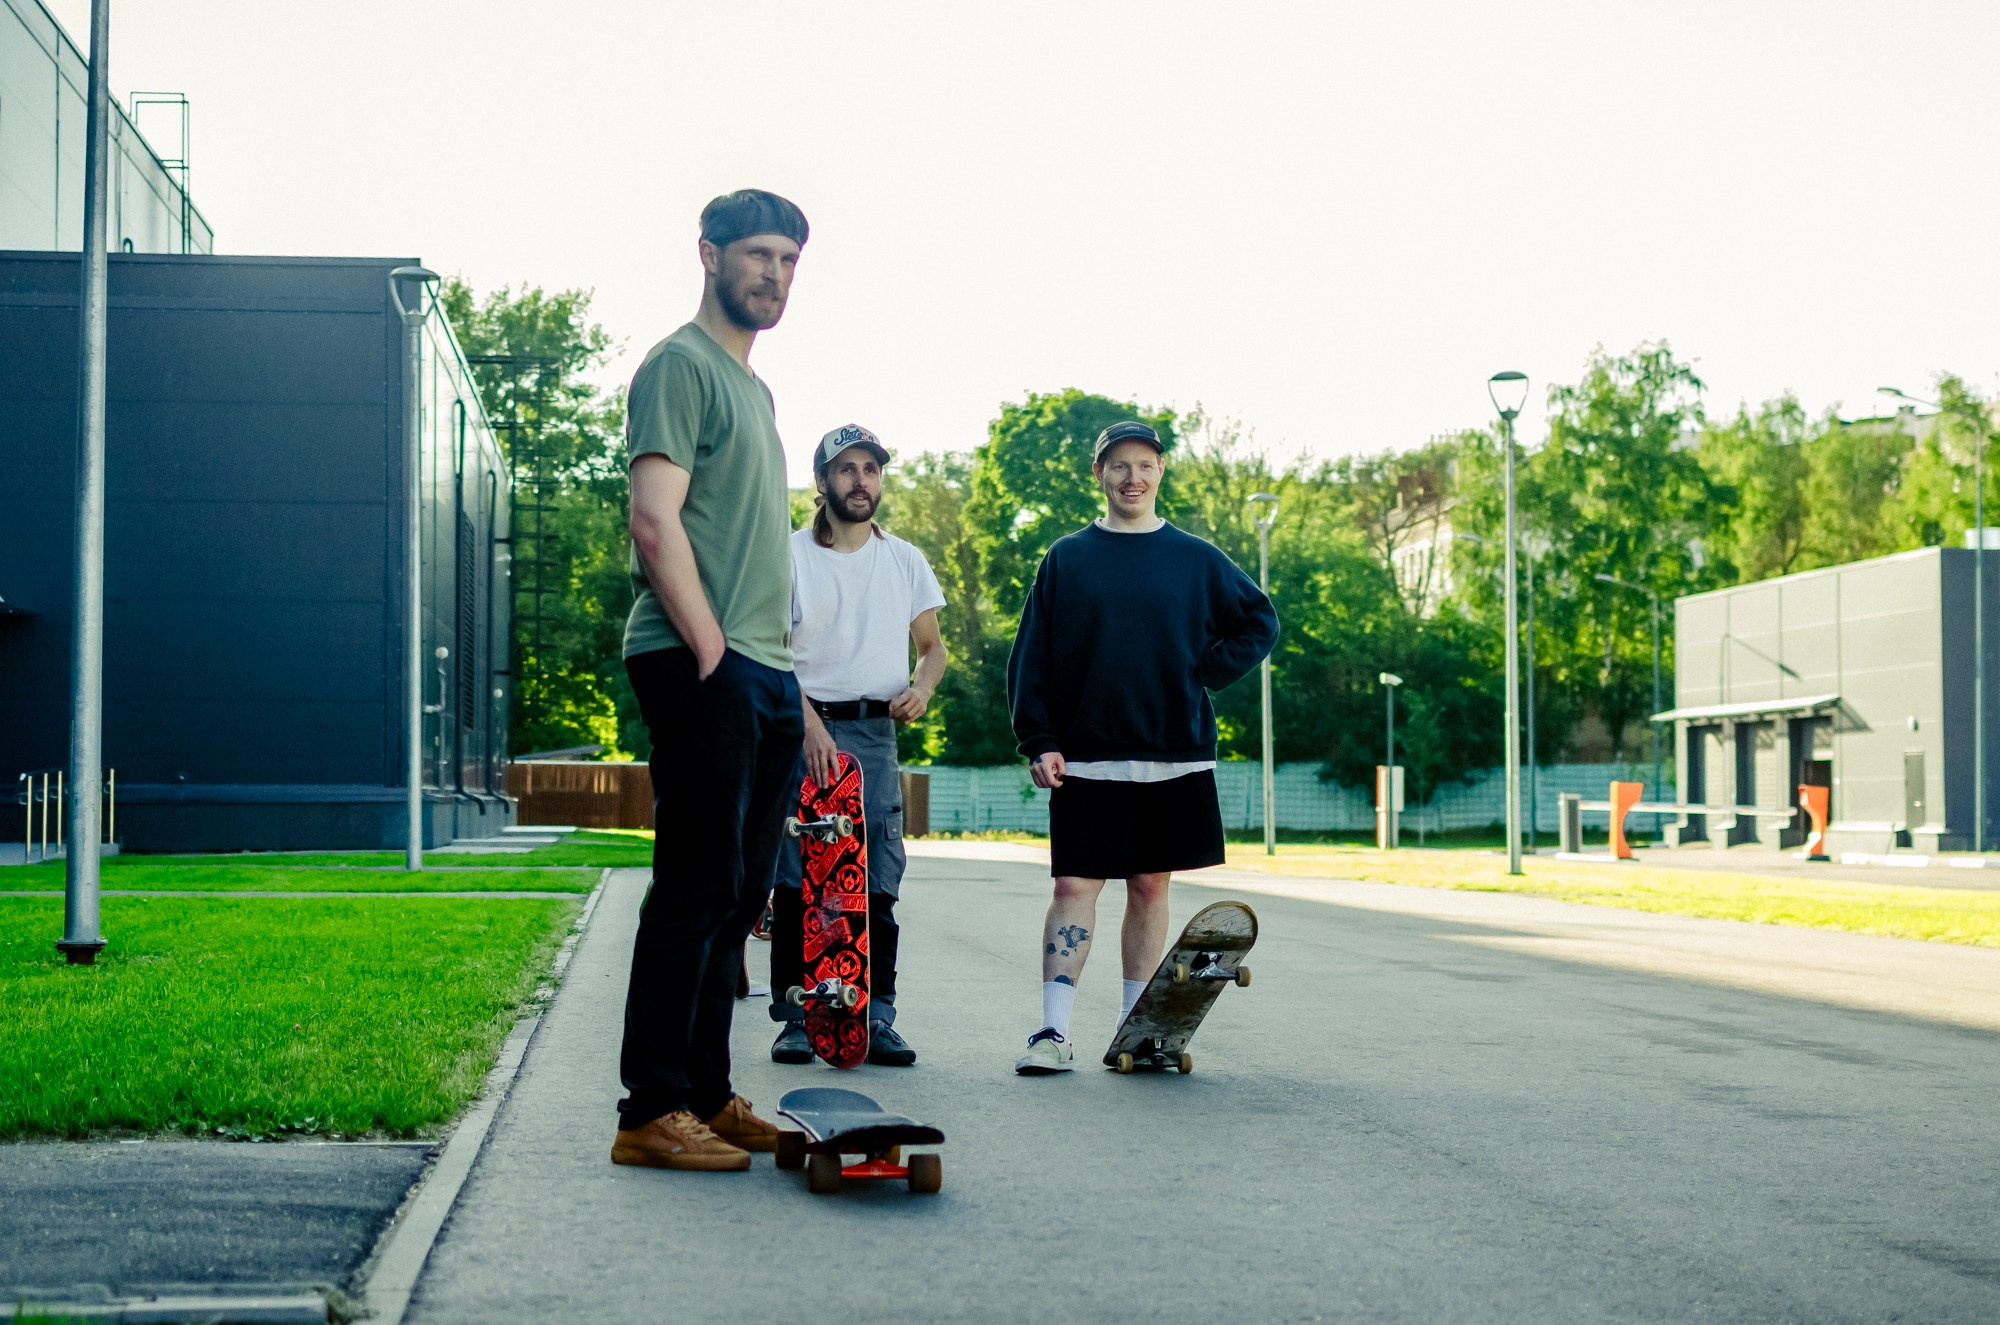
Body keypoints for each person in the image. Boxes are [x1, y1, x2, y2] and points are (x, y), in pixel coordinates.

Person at [610, 189, 810, 1171]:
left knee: (737, 898)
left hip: (764, 673)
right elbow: (655, 522)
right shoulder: (679, 366)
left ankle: (703, 1089)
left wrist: (780, 679)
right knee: (693, 887)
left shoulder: (755, 391)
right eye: (758, 254)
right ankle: (649, 1107)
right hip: (704, 661)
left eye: (787, 259)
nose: (772, 273)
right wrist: (712, 652)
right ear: (708, 253)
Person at [1006, 421, 1279, 1074]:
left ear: (1161, 473)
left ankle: (1142, 1032)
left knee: (1151, 887)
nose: (1133, 477)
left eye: (1145, 464)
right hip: (1088, 755)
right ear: (1098, 474)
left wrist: (1206, 669)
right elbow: (1031, 657)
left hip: (1174, 752)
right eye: (1119, 465)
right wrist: (1038, 738)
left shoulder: (1195, 557)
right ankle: (1052, 1030)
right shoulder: (1067, 558)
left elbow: (1259, 619)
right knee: (1075, 882)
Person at [768, 424, 947, 1067]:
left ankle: (877, 1014)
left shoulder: (904, 559)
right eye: (846, 469)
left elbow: (932, 649)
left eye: (871, 469)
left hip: (875, 734)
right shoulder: (787, 555)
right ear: (822, 482)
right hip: (802, 726)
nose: (860, 480)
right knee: (801, 877)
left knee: (875, 875)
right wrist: (811, 726)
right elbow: (770, 652)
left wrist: (922, 688)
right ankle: (796, 1016)